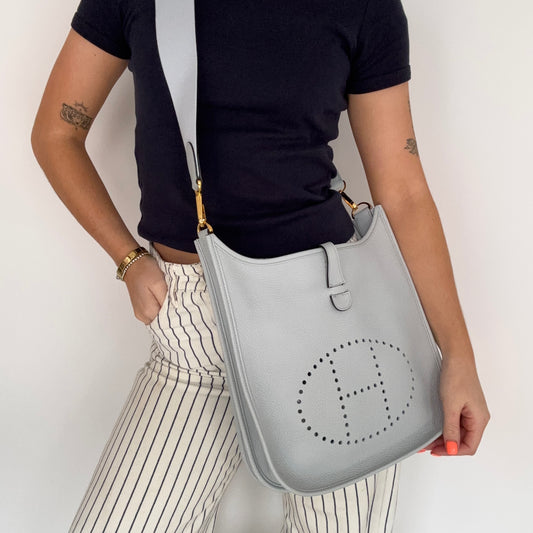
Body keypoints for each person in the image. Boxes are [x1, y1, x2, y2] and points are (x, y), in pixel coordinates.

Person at [30, 0, 490, 530]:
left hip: (332, 325)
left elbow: (404, 191)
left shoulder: (366, 7)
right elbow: (56, 134)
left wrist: (458, 355)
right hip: (193, 332)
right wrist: (128, 258)